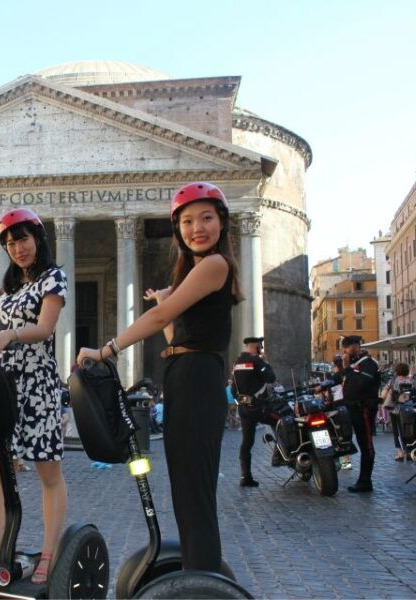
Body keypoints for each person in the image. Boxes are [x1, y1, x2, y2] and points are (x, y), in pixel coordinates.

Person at [78, 182, 242, 572]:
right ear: (178, 228)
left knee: (195, 494)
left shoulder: (215, 264)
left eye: (206, 217)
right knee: (185, 492)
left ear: (222, 222)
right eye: (187, 221)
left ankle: (202, 583)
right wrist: (168, 299)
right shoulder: (196, 271)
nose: (197, 227)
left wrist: (106, 350)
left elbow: (159, 320)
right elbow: (174, 336)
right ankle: (196, 573)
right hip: (183, 373)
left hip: (199, 379)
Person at [0, 208, 67, 585]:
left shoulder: (52, 279)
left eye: (23, 239)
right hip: (5, 383)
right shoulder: (12, 290)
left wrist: (8, 334)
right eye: (10, 243)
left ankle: (49, 550)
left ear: (38, 239)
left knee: (47, 470)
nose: (18, 248)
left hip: (37, 382)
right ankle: (3, 545)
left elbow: (44, 328)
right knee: (0, 468)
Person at [232, 336, 279, 487]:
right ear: (256, 347)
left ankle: (245, 476)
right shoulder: (257, 361)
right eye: (260, 347)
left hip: (244, 408)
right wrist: (265, 362)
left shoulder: (237, 363)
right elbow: (271, 378)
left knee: (247, 442)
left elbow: (233, 390)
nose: (261, 349)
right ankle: (279, 454)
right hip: (259, 407)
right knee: (281, 422)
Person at [340, 335, 380, 493]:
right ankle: (356, 475)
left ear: (356, 346)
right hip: (352, 409)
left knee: (366, 445)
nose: (344, 351)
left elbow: (360, 384)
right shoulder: (355, 364)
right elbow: (340, 378)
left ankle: (365, 481)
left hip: (364, 409)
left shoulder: (368, 363)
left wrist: (347, 367)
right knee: (351, 439)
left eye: (347, 347)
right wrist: (322, 386)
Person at [380, 362, 411, 462]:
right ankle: (409, 451)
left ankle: (399, 452)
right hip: (409, 408)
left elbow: (383, 393)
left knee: (396, 431)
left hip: (395, 409)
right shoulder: (412, 380)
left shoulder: (393, 381)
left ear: (396, 371)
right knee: (408, 429)